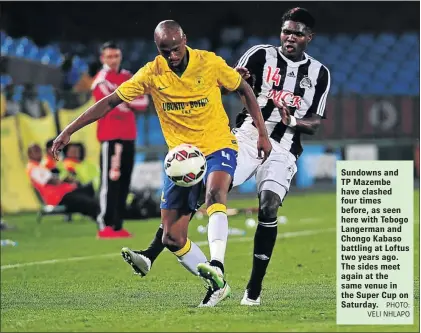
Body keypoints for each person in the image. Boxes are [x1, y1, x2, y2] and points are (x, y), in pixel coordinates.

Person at [52, 20, 272, 308]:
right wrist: (69, 130)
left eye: (177, 48)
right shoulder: (152, 73)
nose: (172, 56)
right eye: (165, 50)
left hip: (218, 144)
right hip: (181, 159)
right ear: (158, 48)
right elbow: (109, 102)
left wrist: (262, 132)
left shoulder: (209, 63)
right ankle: (218, 286)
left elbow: (242, 87)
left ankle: (216, 263)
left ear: (185, 40)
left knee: (215, 195)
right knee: (171, 236)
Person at [120, 8, 331, 307]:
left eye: (297, 33)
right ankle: (164, 252)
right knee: (208, 185)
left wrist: (293, 122)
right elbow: (231, 82)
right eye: (286, 31)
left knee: (269, 206)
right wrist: (239, 79)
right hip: (247, 136)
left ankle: (253, 290)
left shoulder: (320, 73)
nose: (290, 38)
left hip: (284, 148)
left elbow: (316, 121)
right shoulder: (260, 54)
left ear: (309, 37)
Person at [91, 41, 149, 239]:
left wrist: (124, 102)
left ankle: (117, 224)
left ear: (120, 56)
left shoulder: (127, 77)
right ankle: (105, 224)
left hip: (128, 136)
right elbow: (108, 104)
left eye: (116, 56)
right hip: (111, 137)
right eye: (109, 57)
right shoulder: (101, 80)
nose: (113, 60)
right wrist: (127, 102)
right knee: (110, 181)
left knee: (124, 181)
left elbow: (143, 102)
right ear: (102, 58)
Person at [26, 144, 100, 222]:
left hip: (64, 193)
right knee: (88, 198)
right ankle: (102, 217)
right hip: (59, 197)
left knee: (89, 192)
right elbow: (52, 181)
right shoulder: (34, 168)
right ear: (30, 154)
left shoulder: (39, 166)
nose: (40, 154)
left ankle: (101, 214)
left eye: (40, 151)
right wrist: (63, 180)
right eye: (36, 151)